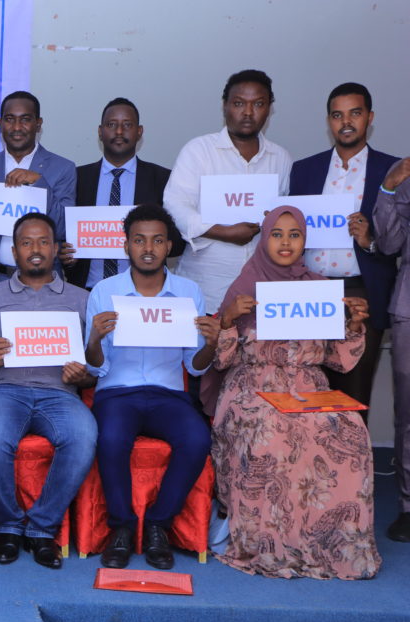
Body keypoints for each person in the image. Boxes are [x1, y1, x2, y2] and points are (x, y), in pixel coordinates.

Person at [212, 205, 379, 579]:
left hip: (308, 385)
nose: (286, 242)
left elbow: (338, 361)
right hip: (253, 386)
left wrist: (351, 324)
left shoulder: (319, 287)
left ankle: (334, 545)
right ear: (264, 238)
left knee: (348, 428)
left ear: (305, 241)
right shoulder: (244, 286)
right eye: (277, 234)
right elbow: (220, 360)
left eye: (294, 235)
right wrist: (226, 320)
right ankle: (269, 544)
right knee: (269, 432)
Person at [85, 204, 219, 570]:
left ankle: (159, 523)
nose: (148, 248)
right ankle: (122, 528)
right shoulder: (104, 291)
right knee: (111, 438)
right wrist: (95, 338)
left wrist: (211, 343)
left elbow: (194, 364)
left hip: (168, 395)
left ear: (169, 245)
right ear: (126, 245)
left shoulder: (189, 292)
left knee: (196, 439)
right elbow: (95, 367)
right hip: (117, 393)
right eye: (139, 240)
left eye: (157, 240)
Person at [0, 213, 96, 569]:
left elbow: (95, 369)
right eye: (26, 243)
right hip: (5, 391)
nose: (35, 250)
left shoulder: (82, 299)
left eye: (43, 242)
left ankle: (43, 529)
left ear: (56, 249)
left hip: (60, 393)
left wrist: (83, 375)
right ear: (13, 251)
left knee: (83, 435)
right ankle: (9, 526)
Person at [289, 83, 400, 417]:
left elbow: (401, 238)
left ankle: (355, 470)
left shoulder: (393, 170)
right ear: (329, 121)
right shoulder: (304, 170)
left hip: (362, 291)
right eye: (338, 115)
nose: (346, 121)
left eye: (355, 113)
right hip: (311, 290)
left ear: (370, 117)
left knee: (353, 395)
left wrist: (370, 240)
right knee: (308, 389)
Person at [164, 69, 293, 314]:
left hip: (263, 293)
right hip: (206, 290)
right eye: (238, 103)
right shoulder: (198, 151)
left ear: (269, 108)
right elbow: (175, 206)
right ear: (225, 106)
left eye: (258, 104)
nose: (247, 112)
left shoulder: (281, 158)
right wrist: (223, 231)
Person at [0, 91, 77, 289]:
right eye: (9, 119)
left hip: (42, 284)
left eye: (25, 120)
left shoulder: (63, 168)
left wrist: (39, 183)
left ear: (38, 124)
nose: (16, 127)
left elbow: (64, 228)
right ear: (0, 123)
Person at [67, 97, 178, 290]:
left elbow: (177, 243)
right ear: (100, 132)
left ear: (139, 132)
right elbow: (63, 235)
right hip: (87, 291)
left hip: (144, 293)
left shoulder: (163, 179)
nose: (119, 131)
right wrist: (64, 254)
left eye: (127, 125)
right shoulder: (77, 178)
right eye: (111, 125)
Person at [373, 156, 410, 542]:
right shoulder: (404, 177)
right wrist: (388, 187)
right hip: (409, 307)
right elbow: (387, 243)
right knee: (408, 412)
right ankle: (408, 506)